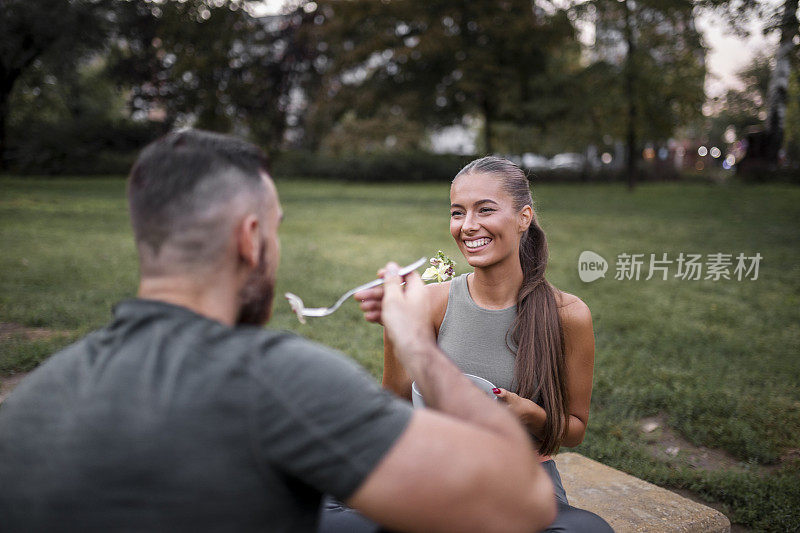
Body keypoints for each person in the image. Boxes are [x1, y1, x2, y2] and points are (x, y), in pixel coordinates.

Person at [0, 131, 557, 533]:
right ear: (250, 239)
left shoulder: (33, 400)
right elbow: (521, 501)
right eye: (276, 229)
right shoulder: (285, 382)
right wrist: (415, 343)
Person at [358, 156, 613, 532]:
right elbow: (394, 406)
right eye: (457, 213)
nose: (468, 226)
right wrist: (400, 330)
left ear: (524, 217)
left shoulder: (568, 315)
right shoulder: (427, 303)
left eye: (486, 210)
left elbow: (574, 429)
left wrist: (529, 414)